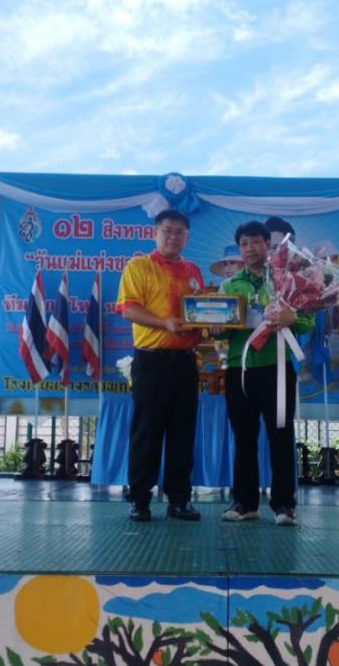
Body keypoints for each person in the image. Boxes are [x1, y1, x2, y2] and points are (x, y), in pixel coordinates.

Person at [216, 220, 314, 526]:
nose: (249, 249)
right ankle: (245, 503)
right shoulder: (230, 286)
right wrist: (215, 327)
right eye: (243, 244)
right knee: (243, 438)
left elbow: (308, 321)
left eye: (255, 242)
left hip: (278, 368)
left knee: (281, 436)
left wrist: (291, 318)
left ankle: (284, 505)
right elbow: (220, 330)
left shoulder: (287, 280)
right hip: (240, 369)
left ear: (267, 245)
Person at [116, 209, 204, 522]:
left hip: (185, 363)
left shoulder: (193, 271)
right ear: (155, 232)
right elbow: (128, 309)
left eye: (180, 232)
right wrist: (164, 323)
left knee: (183, 432)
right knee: (146, 432)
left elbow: (200, 313)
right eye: (167, 230)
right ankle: (140, 500)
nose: (173, 236)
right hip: (150, 361)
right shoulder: (139, 266)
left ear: (187, 237)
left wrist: (214, 324)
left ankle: (179, 500)